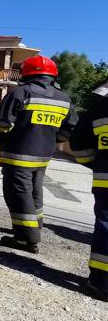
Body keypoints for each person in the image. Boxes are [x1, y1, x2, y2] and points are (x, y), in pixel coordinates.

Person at [0, 55, 77, 254]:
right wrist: (52, 141)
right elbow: (70, 129)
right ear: (52, 75)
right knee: (35, 194)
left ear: (26, 74)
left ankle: (26, 239)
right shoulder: (64, 99)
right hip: (43, 157)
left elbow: (1, 125)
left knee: (18, 195)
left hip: (18, 155)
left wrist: (2, 140)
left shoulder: (22, 93)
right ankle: (34, 227)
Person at [69, 80, 108, 301]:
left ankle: (102, 283)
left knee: (106, 225)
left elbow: (81, 148)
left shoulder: (98, 110)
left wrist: (98, 164)